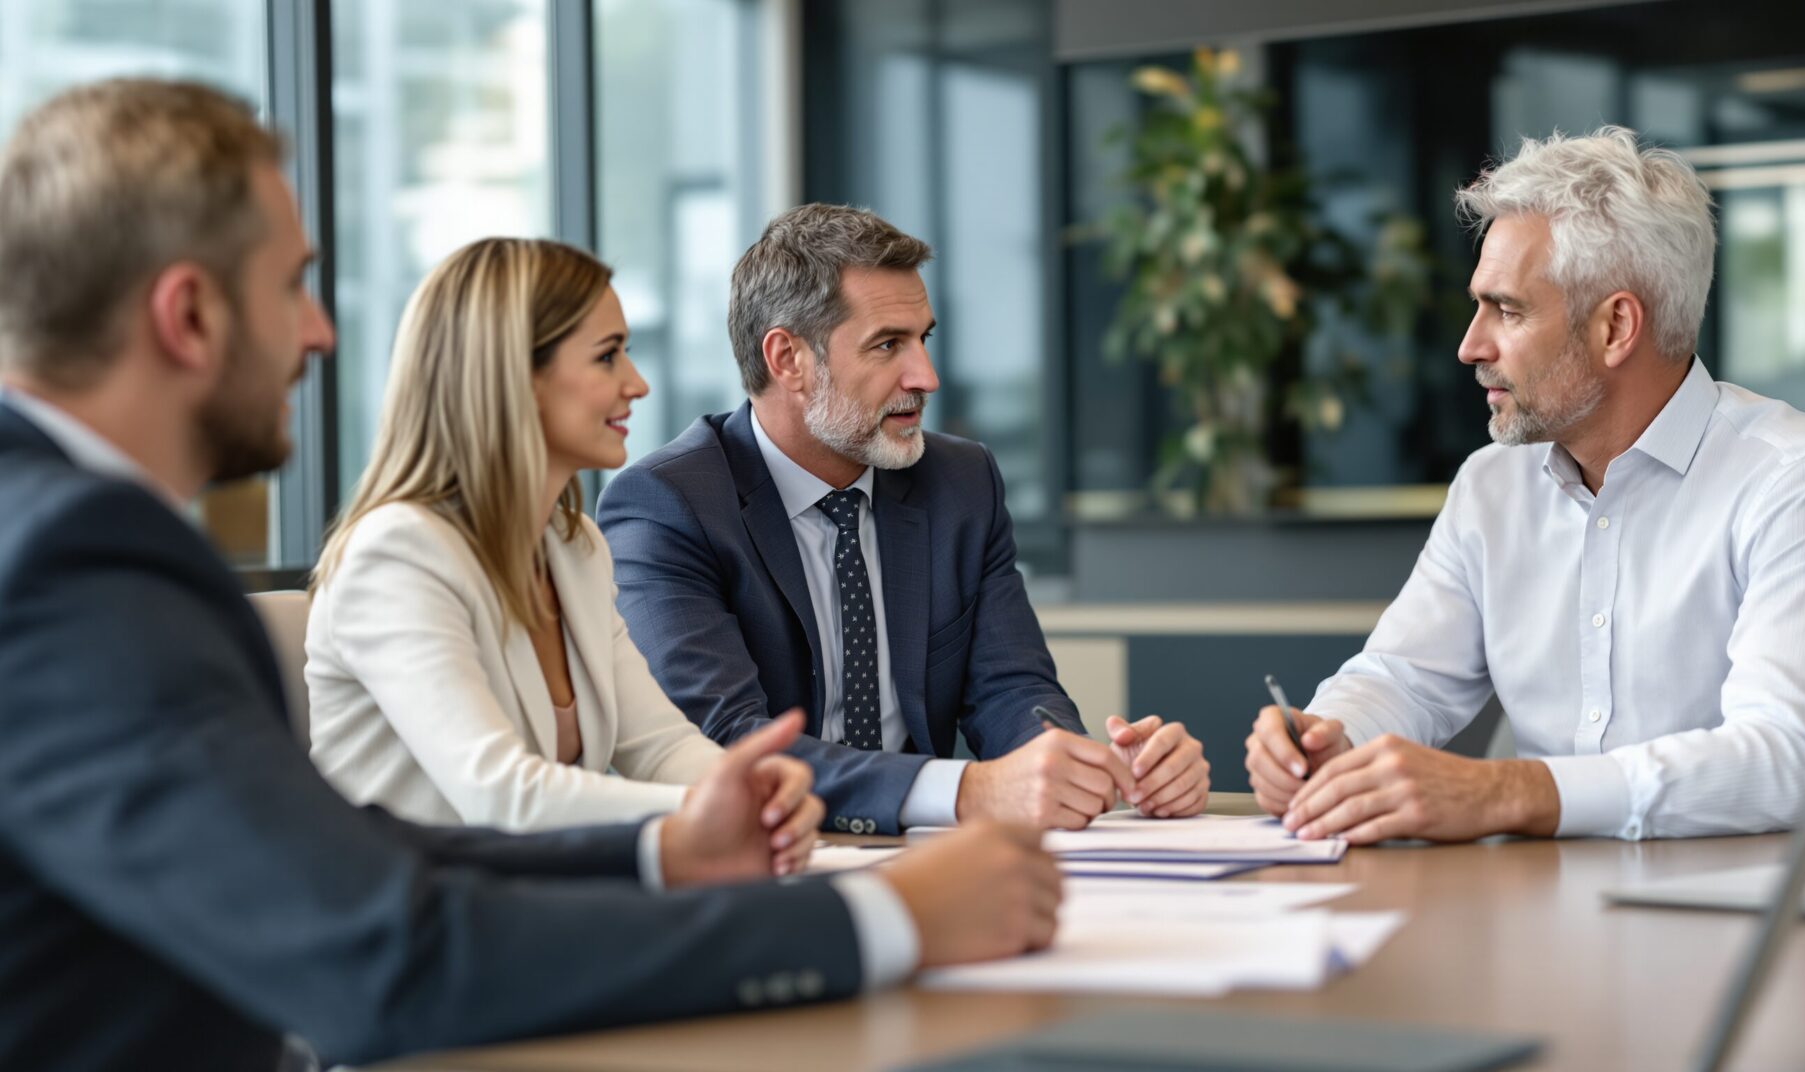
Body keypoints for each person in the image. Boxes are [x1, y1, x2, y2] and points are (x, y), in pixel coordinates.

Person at [0, 78, 1060, 1072]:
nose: (320, 332)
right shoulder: (70, 560)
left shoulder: (567, 541)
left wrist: (679, 846)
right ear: (188, 314)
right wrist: (879, 917)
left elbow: (361, 850)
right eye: (291, 286)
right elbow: (393, 937)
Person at [1245, 126, 1805, 844]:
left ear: (1616, 326)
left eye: (1507, 309)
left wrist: (1507, 791)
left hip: (1769, 904)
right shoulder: (1491, 486)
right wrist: (1330, 739)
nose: (1470, 345)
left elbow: (1790, 760)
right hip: (1551, 895)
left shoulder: (1804, 480)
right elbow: (1402, 677)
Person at [598, 204, 1211, 836]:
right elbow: (723, 741)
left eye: (924, 340)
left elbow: (1011, 688)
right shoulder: (668, 505)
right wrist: (967, 790)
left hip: (930, 851)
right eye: (888, 345)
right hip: (765, 855)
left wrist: (1083, 765)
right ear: (788, 359)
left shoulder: (962, 482)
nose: (927, 377)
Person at [303, 237, 818, 871]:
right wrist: (709, 812)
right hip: (406, 917)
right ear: (513, 379)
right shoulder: (397, 555)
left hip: (528, 900)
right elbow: (501, 794)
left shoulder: (574, 549)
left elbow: (659, 748)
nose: (637, 383)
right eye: (607, 356)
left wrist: (755, 793)